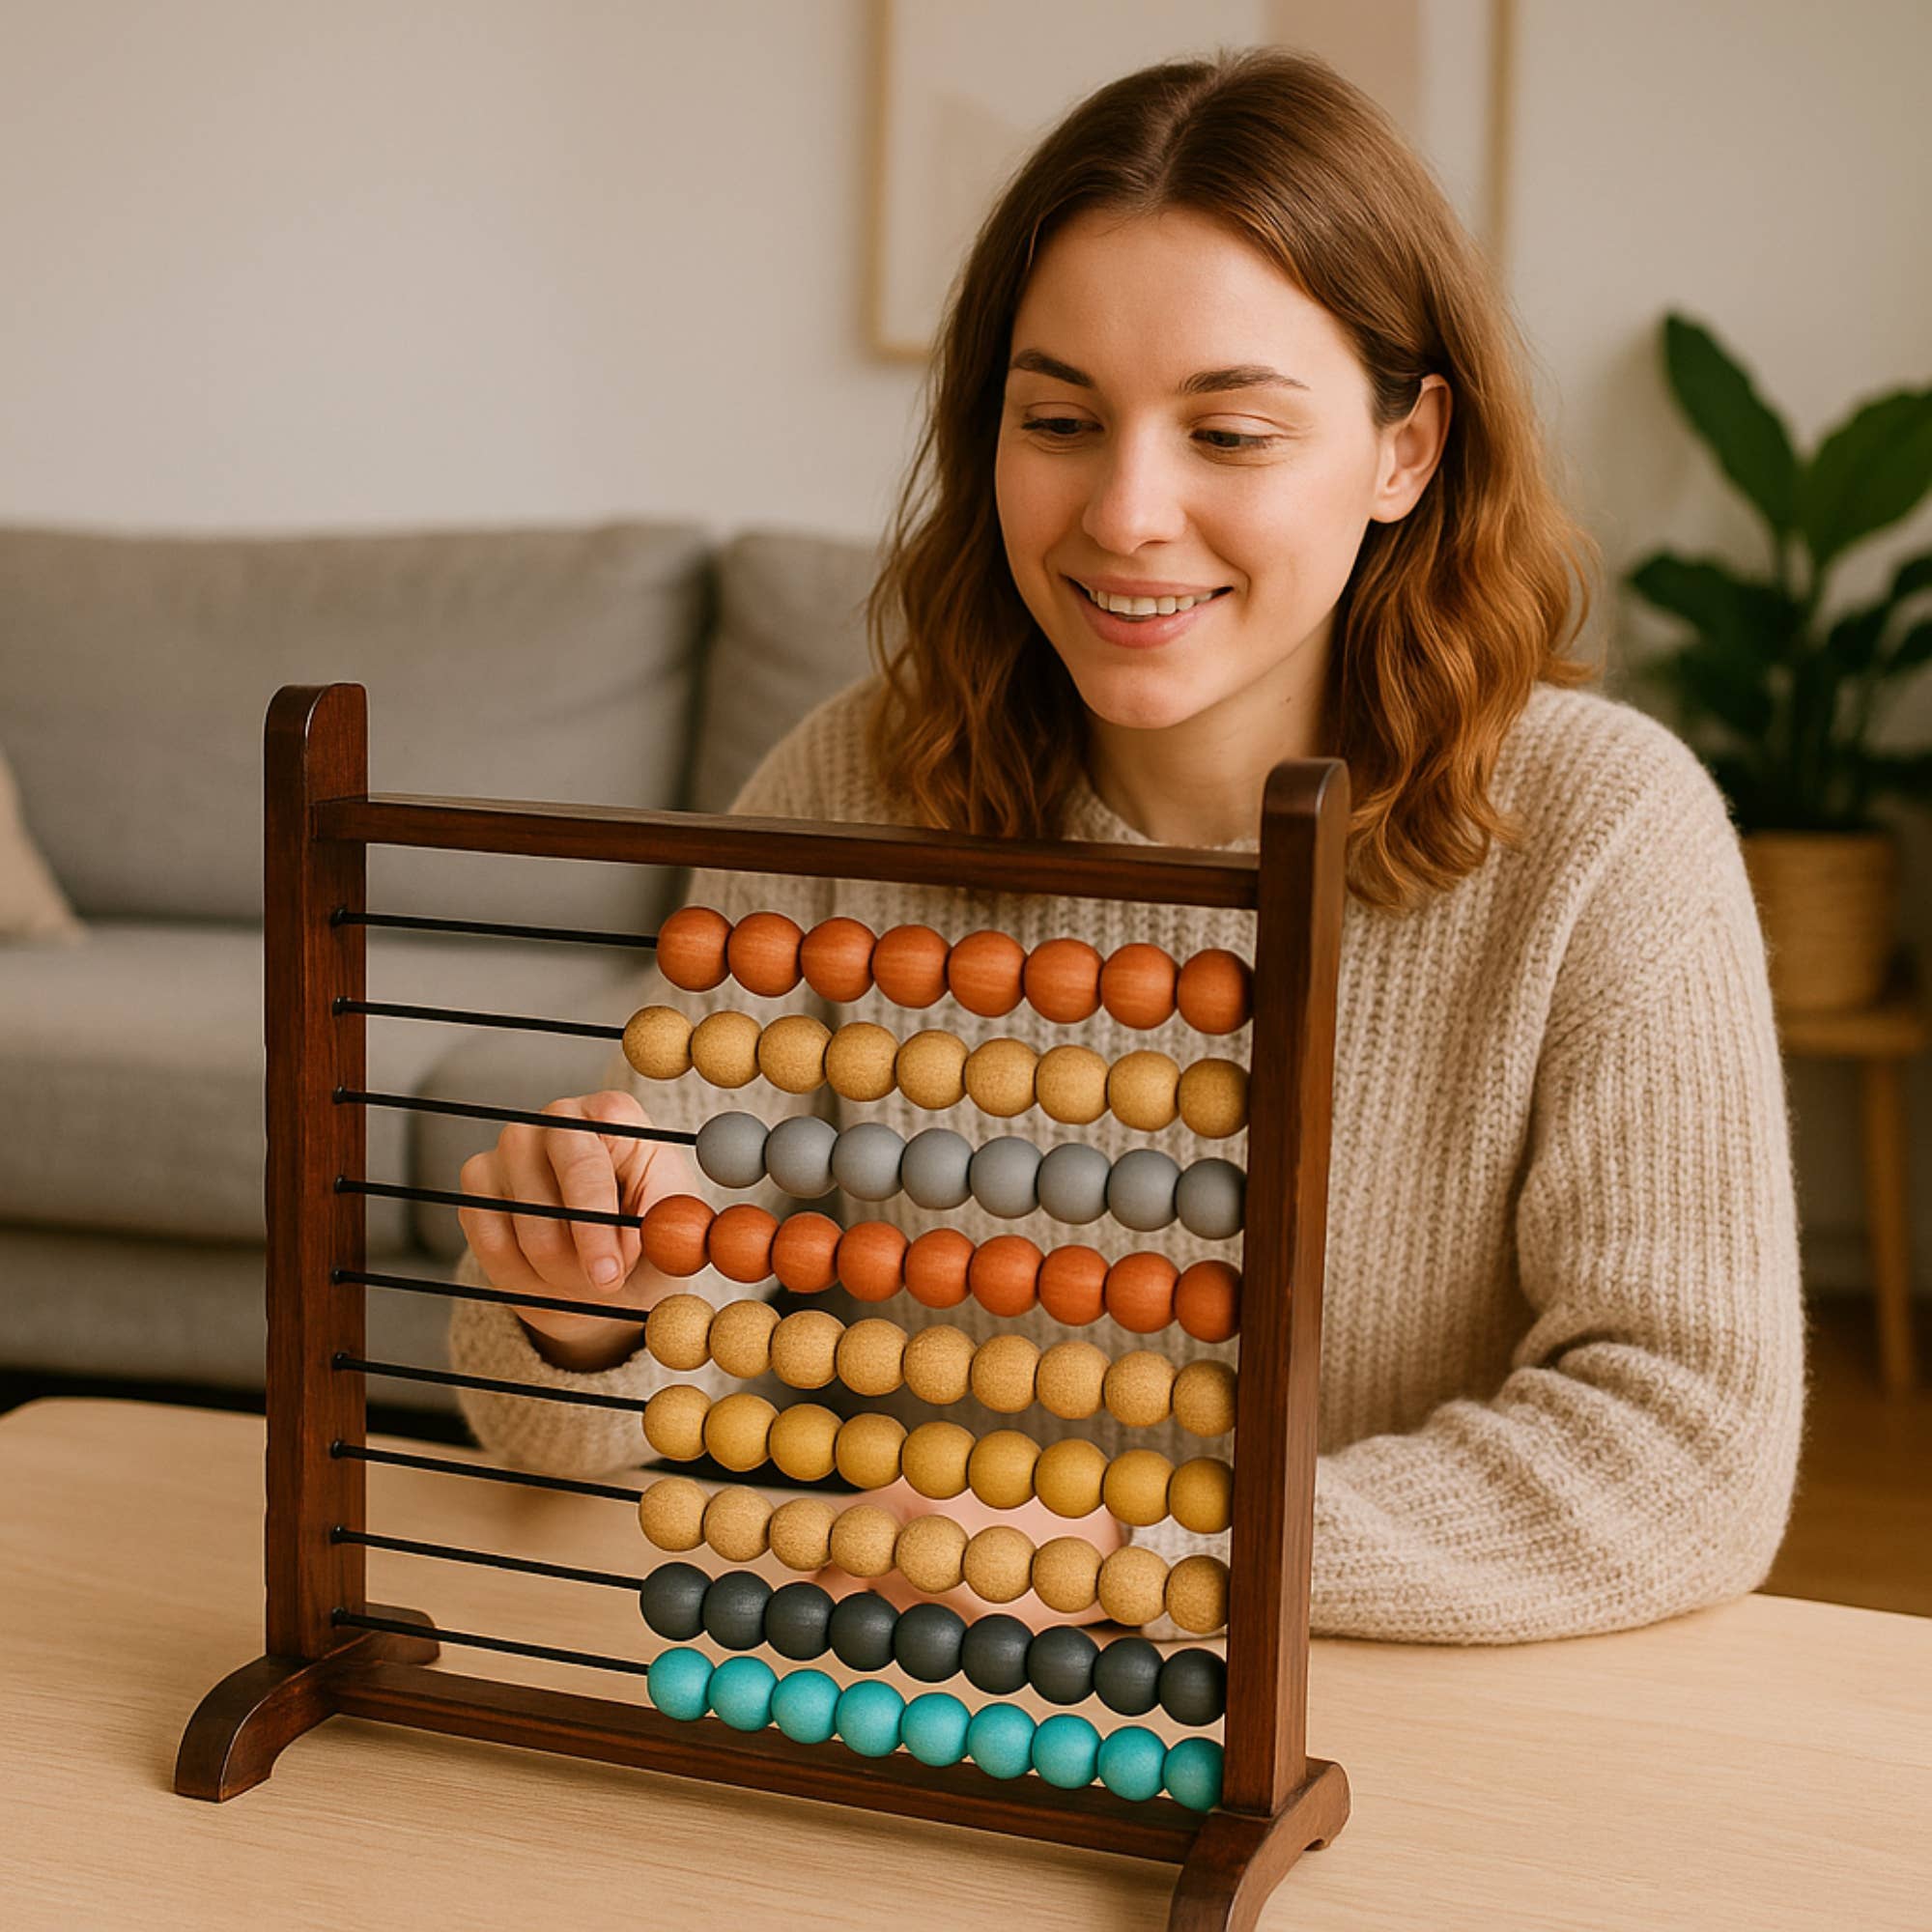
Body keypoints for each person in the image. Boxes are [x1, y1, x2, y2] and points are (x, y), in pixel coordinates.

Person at [447, 46, 1804, 1645]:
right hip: (924, 1703)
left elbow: (1688, 1452)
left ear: (1406, 450)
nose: (1127, 512)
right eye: (1061, 419)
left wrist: (1139, 1542)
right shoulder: (851, 787)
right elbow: (567, 1430)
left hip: (1386, 1739)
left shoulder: (1604, 838)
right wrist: (582, 1304)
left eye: (1229, 434)